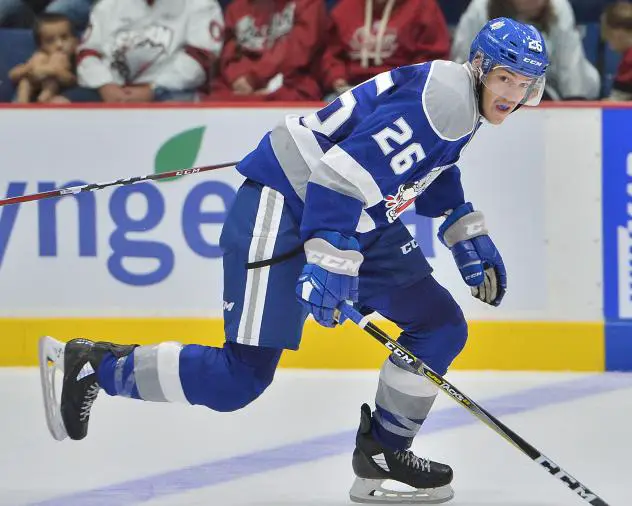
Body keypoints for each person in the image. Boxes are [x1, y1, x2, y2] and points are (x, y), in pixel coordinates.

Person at [39, 17, 549, 504]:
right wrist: (329, 256)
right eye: (505, 78)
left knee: (438, 325)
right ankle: (93, 366)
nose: (512, 94)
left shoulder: (462, 98)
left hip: (351, 215)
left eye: (525, 84)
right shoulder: (447, 102)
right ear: (481, 67)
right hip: (286, 209)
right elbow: (338, 175)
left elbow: (428, 162)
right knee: (238, 379)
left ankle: (384, 453)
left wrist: (458, 223)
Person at [60, 0, 224, 103]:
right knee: (58, 104)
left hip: (169, 92)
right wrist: (105, 85)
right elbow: (87, 53)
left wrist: (154, 89)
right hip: (110, 90)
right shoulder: (108, 5)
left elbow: (201, 59)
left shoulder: (202, 5)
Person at [451, 0, 599, 100]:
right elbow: (464, 61)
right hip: (490, 89)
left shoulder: (558, 6)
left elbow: (570, 64)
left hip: (546, 91)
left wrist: (574, 101)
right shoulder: (481, 7)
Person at [320, 0, 450, 100]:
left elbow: (432, 58)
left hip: (402, 90)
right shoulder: (345, 8)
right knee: (326, 112)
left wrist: (408, 84)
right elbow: (330, 54)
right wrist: (337, 78)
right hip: (350, 90)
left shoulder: (423, 7)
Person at [204, 0, 328, 102]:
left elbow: (299, 50)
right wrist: (238, 76)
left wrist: (254, 77)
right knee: (214, 98)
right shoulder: (236, 8)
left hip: (290, 83)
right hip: (240, 86)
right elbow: (229, 53)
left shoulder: (310, 4)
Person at [9, 12, 78, 103]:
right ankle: (21, 105)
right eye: (50, 41)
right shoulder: (39, 56)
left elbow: (72, 81)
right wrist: (28, 69)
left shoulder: (76, 59)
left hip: (59, 97)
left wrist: (53, 71)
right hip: (33, 91)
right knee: (24, 82)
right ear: (41, 46)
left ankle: (45, 96)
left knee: (52, 79)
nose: (59, 45)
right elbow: (12, 75)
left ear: (75, 41)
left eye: (64, 38)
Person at [602, 1, 632, 101]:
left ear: (618, 33)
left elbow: (616, 102)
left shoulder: (629, 60)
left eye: (606, 31)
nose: (605, 38)